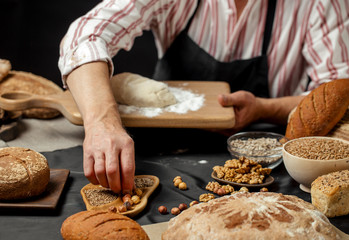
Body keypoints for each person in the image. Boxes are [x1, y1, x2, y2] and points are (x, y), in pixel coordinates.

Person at [58, 0, 349, 194]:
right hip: (157, 153)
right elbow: (84, 36)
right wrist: (102, 123)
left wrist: (263, 108)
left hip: (266, 165)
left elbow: (339, 92)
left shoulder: (319, 4)